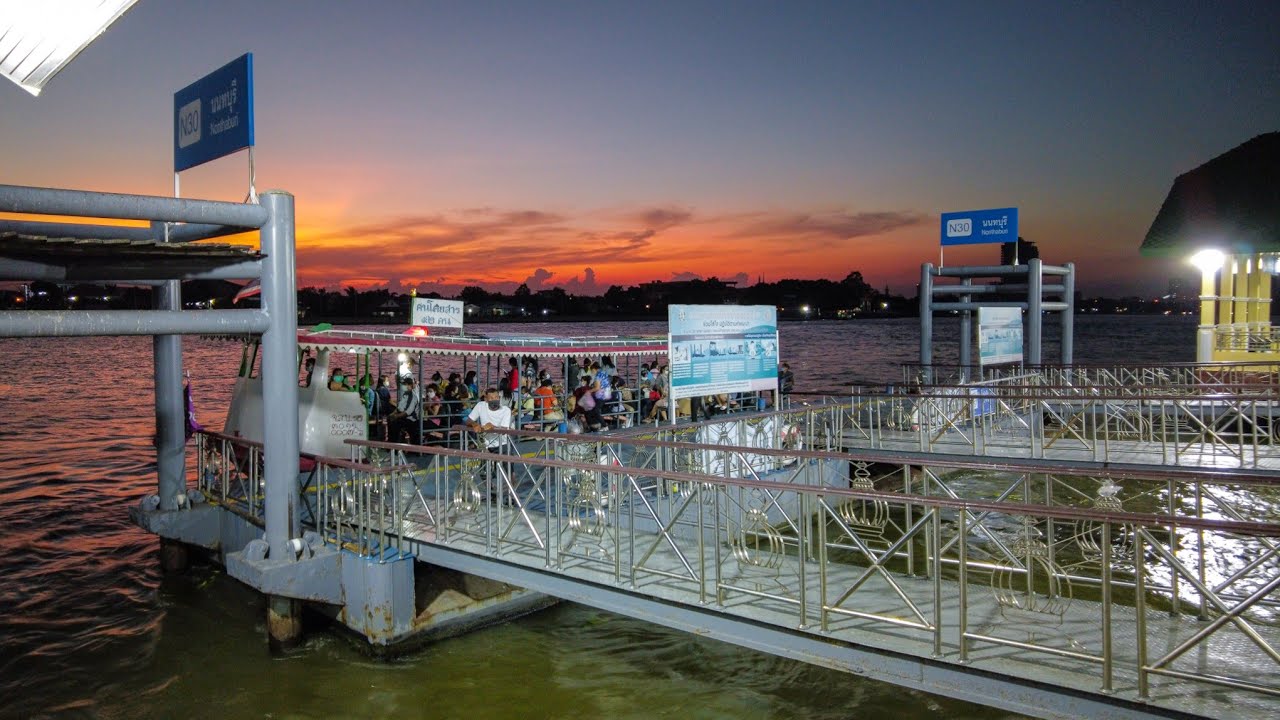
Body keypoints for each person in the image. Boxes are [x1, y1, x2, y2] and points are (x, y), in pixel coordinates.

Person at [466, 387, 513, 451]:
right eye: (491, 398)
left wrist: (492, 427)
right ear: (486, 399)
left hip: (502, 444)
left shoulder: (506, 410)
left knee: (506, 459)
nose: (494, 400)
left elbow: (504, 430)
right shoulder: (480, 405)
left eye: (496, 397)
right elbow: (468, 420)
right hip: (486, 445)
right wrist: (474, 424)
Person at [388, 376, 420, 444]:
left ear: (410, 385)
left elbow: (408, 412)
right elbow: (400, 407)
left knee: (396, 423)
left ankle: (396, 445)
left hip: (412, 419)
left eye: (405, 384)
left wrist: (396, 416)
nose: (403, 386)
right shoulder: (405, 394)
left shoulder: (414, 396)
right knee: (390, 419)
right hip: (403, 417)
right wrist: (393, 414)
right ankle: (391, 443)